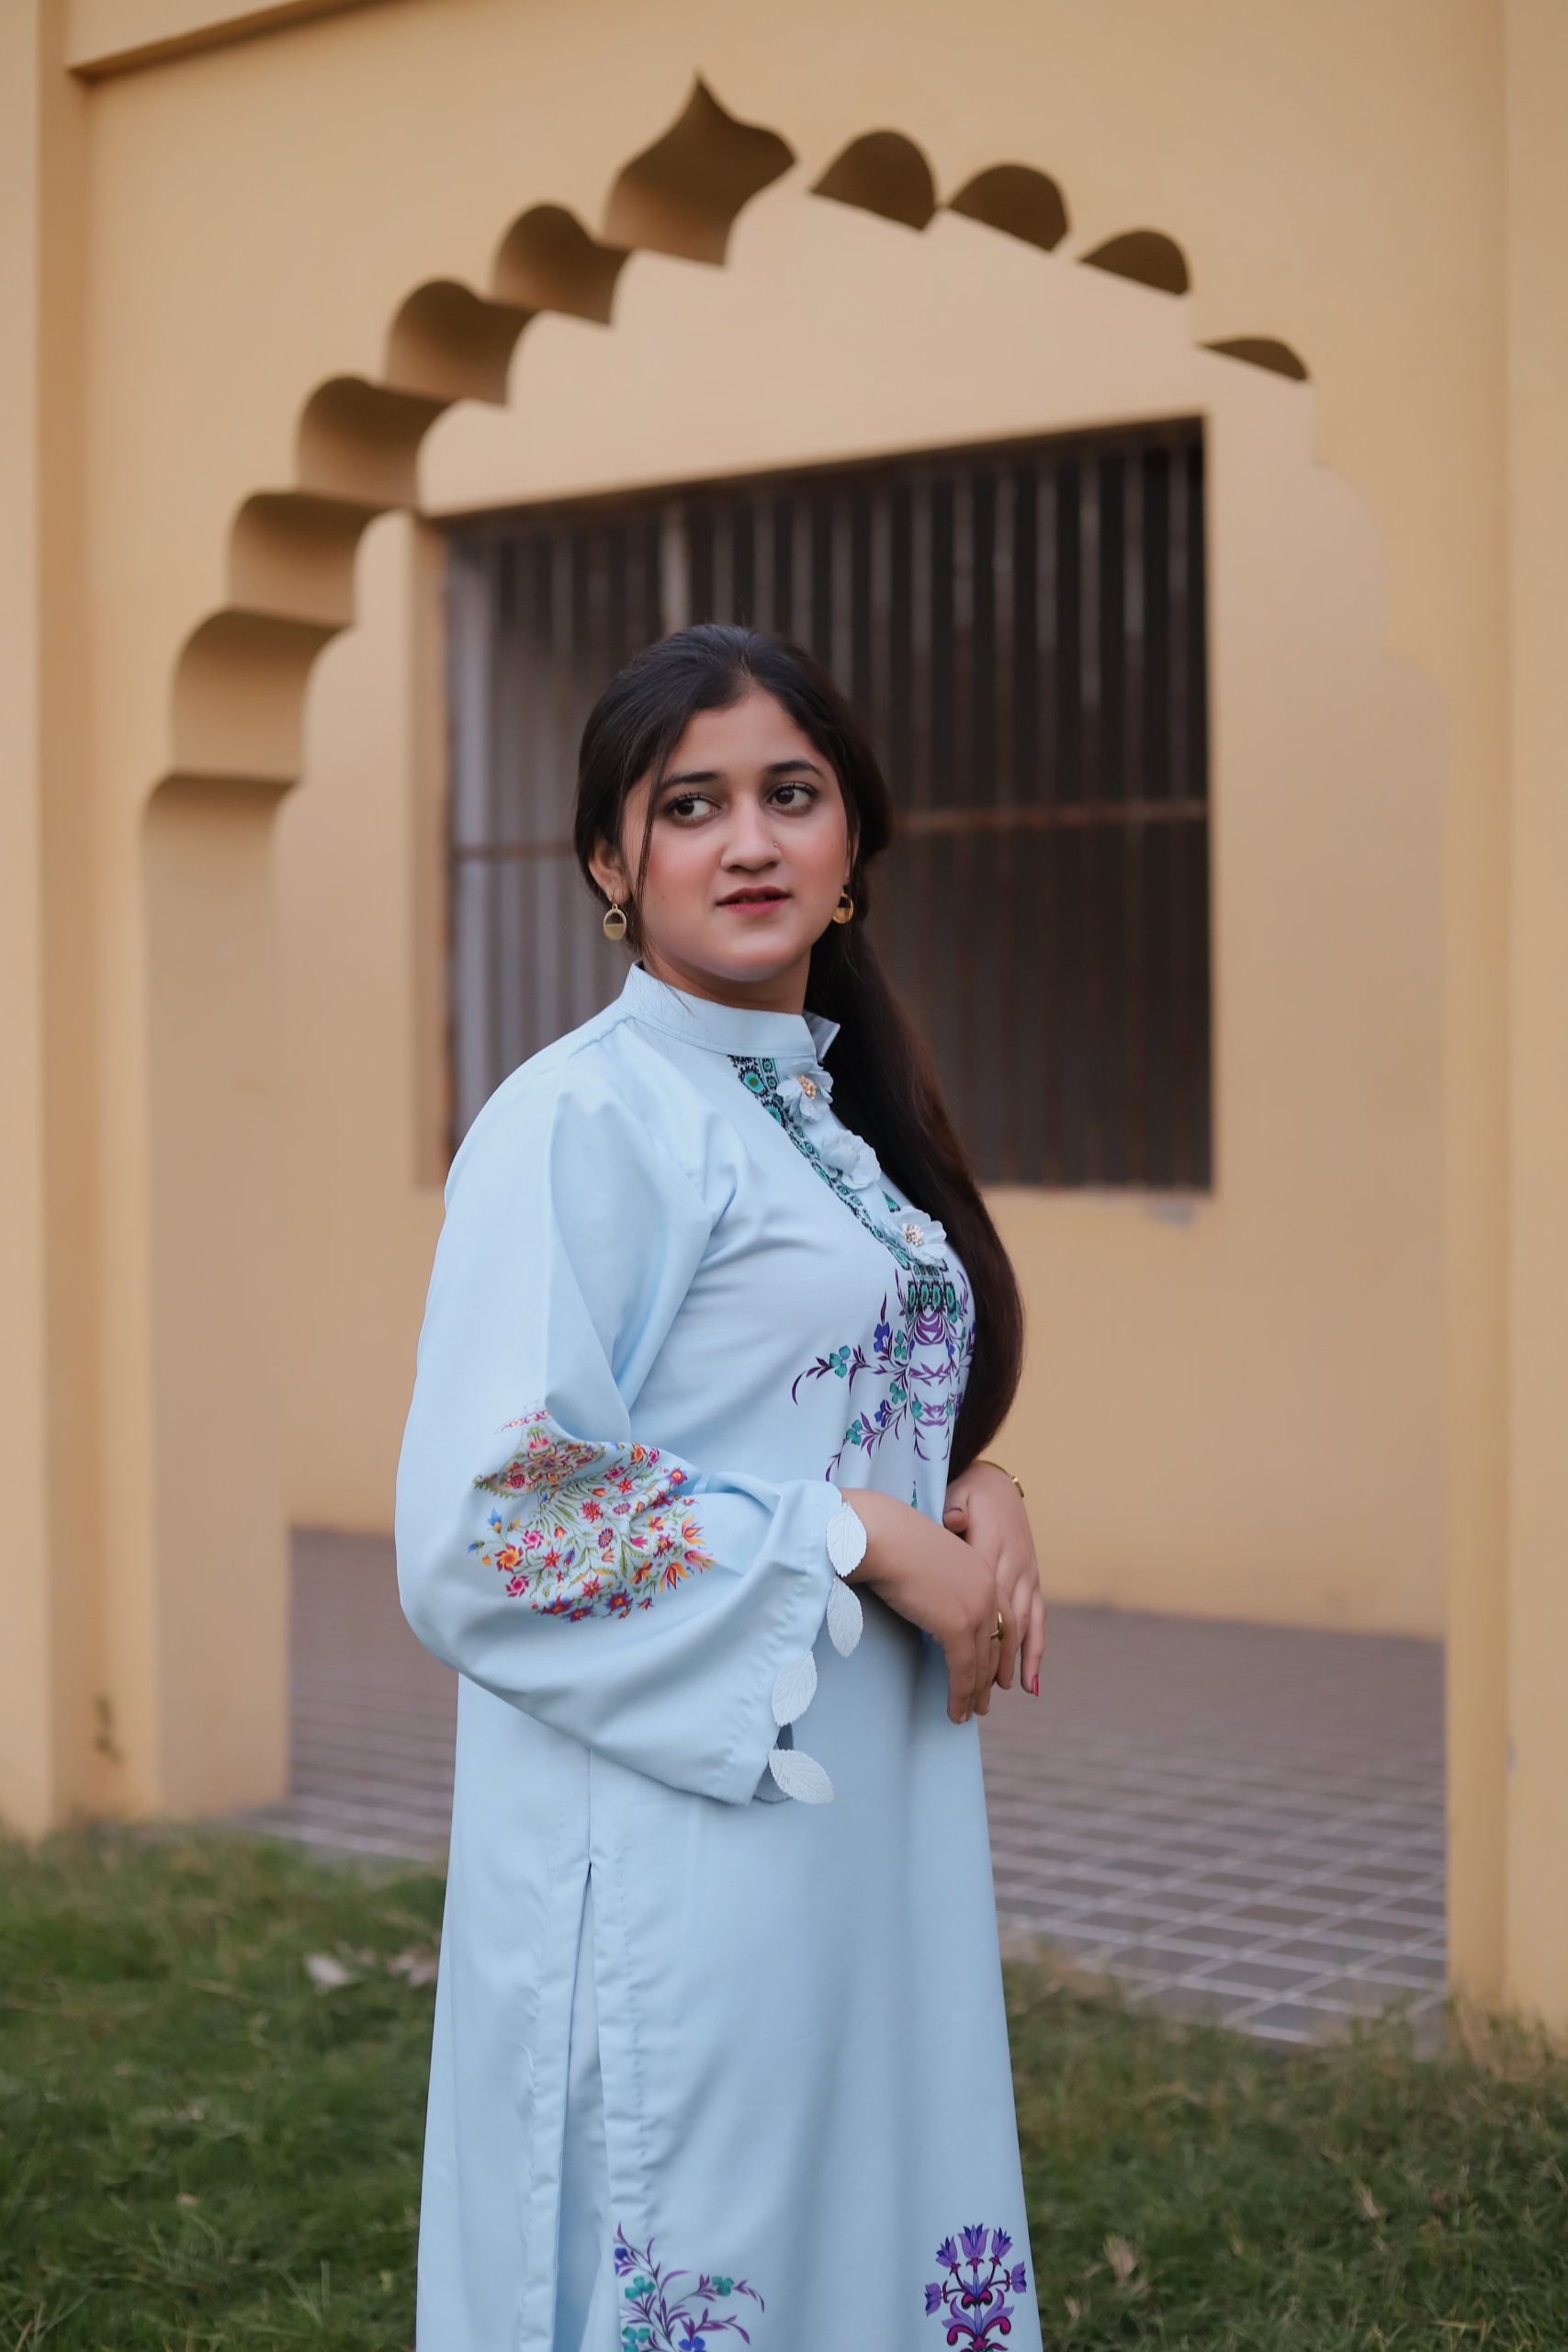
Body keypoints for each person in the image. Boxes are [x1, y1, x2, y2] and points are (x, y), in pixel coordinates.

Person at [395, 621, 1048, 2351]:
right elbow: (490, 1518)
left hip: (862, 1820)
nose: (748, 841)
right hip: (683, 1830)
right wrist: (856, 1536)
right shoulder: (583, 1120)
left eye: (791, 794)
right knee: (710, 2221)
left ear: (853, 845)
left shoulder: (820, 1109)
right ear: (612, 866)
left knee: (860, 2199)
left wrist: (969, 1483)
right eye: (690, 805)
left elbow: (799, 1389)